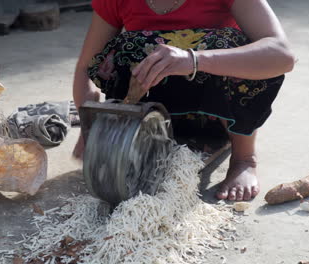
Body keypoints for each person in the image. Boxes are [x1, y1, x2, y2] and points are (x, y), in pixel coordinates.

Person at [72, 0, 296, 201]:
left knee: (230, 45)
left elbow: (281, 54)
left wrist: (193, 60)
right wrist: (89, 127)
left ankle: (244, 158)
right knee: (122, 51)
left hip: (219, 116)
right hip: (153, 122)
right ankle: (144, 146)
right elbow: (85, 69)